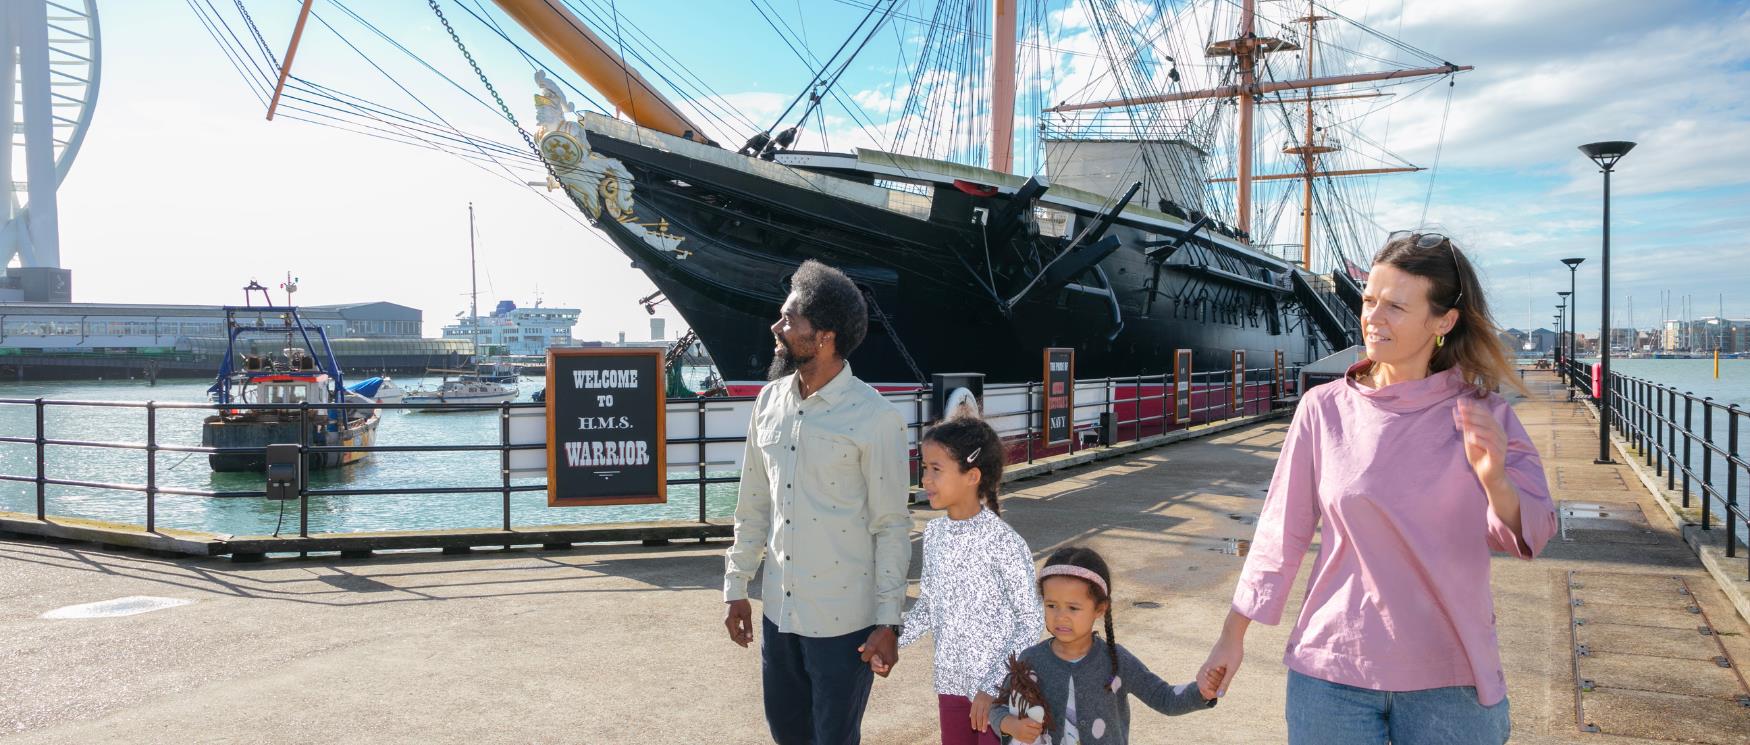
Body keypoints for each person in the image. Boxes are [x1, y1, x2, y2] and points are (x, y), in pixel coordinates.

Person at [1198, 231, 1558, 745]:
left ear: (1443, 321)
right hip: (1331, 675)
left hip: (1449, 679)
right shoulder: (1322, 410)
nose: (1373, 317)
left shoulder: (1485, 415)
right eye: (1369, 300)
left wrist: (1494, 479)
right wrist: (1231, 636)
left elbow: (1532, 533)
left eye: (1395, 306)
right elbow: (1281, 534)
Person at [722, 260, 912, 745]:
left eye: (789, 320)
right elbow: (753, 503)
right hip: (778, 616)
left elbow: (891, 525)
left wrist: (889, 622)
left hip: (844, 626)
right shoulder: (768, 402)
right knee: (787, 734)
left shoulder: (876, 418)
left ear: (824, 336)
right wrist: (736, 584)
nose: (777, 327)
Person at [869, 414, 1043, 745]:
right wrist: (892, 638)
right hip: (950, 686)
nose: (925, 479)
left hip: (1000, 695)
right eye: (924, 467)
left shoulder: (1003, 541)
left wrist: (992, 686)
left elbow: (1030, 623)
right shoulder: (934, 534)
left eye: (936, 469)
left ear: (972, 476)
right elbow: (930, 607)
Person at [989, 547, 1218, 745]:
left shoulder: (1116, 660)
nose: (1061, 617)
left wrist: (1200, 693)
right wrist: (1011, 724)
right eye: (1051, 605)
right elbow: (997, 706)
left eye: (1073, 608)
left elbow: (1164, 697)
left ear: (1100, 609)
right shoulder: (1032, 660)